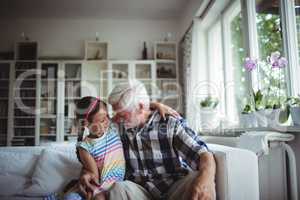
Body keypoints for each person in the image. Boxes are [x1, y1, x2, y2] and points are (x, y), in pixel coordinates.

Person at [80, 80, 215, 200]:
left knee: (196, 179)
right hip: (139, 192)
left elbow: (203, 153)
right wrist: (88, 172)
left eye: (122, 114)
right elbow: (92, 150)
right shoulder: (117, 128)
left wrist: (207, 180)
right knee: (119, 188)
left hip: (173, 188)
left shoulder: (169, 124)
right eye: (115, 114)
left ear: (140, 107)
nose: (115, 119)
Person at [64, 96, 125, 200]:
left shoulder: (112, 129)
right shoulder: (85, 147)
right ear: (86, 124)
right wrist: (93, 193)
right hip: (102, 186)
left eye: (107, 116)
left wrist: (156, 105)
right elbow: (94, 177)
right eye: (102, 120)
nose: (107, 121)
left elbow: (133, 110)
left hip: (119, 185)